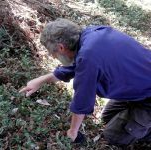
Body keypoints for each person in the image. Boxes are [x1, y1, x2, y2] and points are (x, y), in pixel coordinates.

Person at [19, 18, 151, 146]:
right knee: (107, 117)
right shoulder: (91, 34)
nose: (53, 57)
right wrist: (40, 81)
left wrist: (73, 132)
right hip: (140, 84)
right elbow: (76, 67)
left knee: (113, 137)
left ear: (61, 48)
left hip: (147, 97)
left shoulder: (88, 57)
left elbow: (82, 101)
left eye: (52, 53)